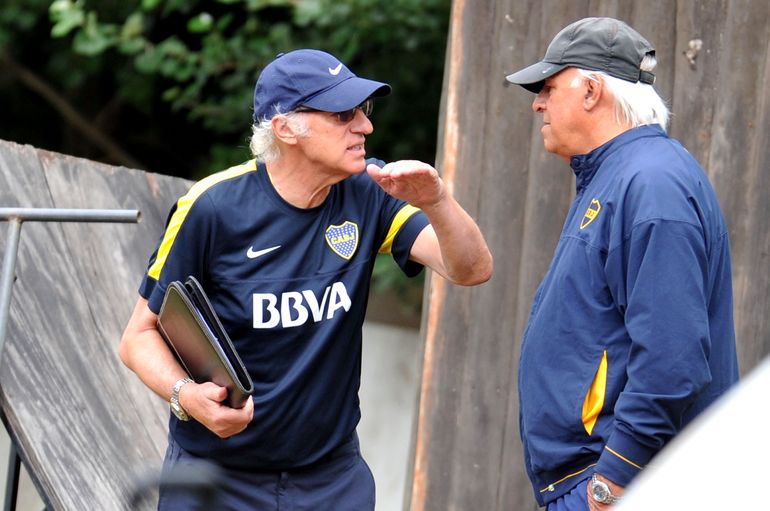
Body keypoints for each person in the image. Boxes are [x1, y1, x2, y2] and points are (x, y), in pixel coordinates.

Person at [119, 48, 492, 510]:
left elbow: (472, 269)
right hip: (217, 479)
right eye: (343, 114)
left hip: (331, 480)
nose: (365, 126)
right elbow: (137, 337)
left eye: (364, 110)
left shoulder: (368, 191)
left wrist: (437, 201)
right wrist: (186, 397)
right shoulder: (213, 207)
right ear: (286, 127)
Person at [505, 17, 738, 511]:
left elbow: (673, 360)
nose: (537, 103)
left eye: (548, 87)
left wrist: (613, 478)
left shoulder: (651, 183)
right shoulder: (622, 174)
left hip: (624, 484)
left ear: (591, 90)